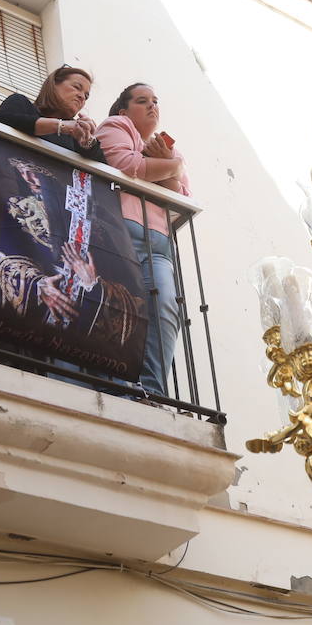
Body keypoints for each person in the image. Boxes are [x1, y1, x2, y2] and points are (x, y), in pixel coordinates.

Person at [98, 83, 190, 397]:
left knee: (165, 307)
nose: (152, 106)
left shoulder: (169, 148)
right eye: (142, 101)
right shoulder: (115, 125)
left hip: (160, 243)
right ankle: (118, 385)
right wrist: (172, 168)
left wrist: (164, 167)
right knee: (120, 305)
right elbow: (127, 164)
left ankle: (152, 391)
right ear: (124, 110)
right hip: (121, 229)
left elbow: (182, 197)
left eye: (155, 101)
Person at [0, 66, 105, 162]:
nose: (81, 97)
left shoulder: (74, 135)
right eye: (76, 87)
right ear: (54, 84)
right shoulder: (21, 103)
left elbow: (104, 170)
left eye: (86, 96)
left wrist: (88, 141)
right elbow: (3, 119)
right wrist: (61, 126)